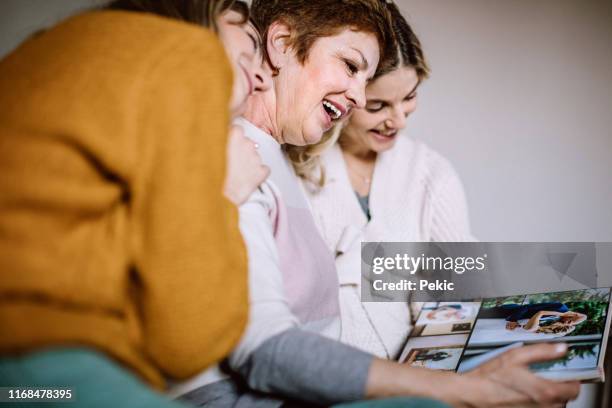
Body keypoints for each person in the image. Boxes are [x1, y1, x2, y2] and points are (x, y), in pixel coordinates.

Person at [175, 1, 580, 407]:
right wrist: (461, 390)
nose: (393, 118)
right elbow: (270, 342)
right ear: (280, 44)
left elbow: (456, 288)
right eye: (358, 77)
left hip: (384, 376)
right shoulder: (255, 158)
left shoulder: (421, 171)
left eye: (408, 98)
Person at [0, 1, 270, 407]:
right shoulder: (189, 52)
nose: (261, 73)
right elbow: (190, 339)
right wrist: (227, 192)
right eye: (249, 45)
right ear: (207, 14)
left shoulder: (48, 52)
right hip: (42, 362)